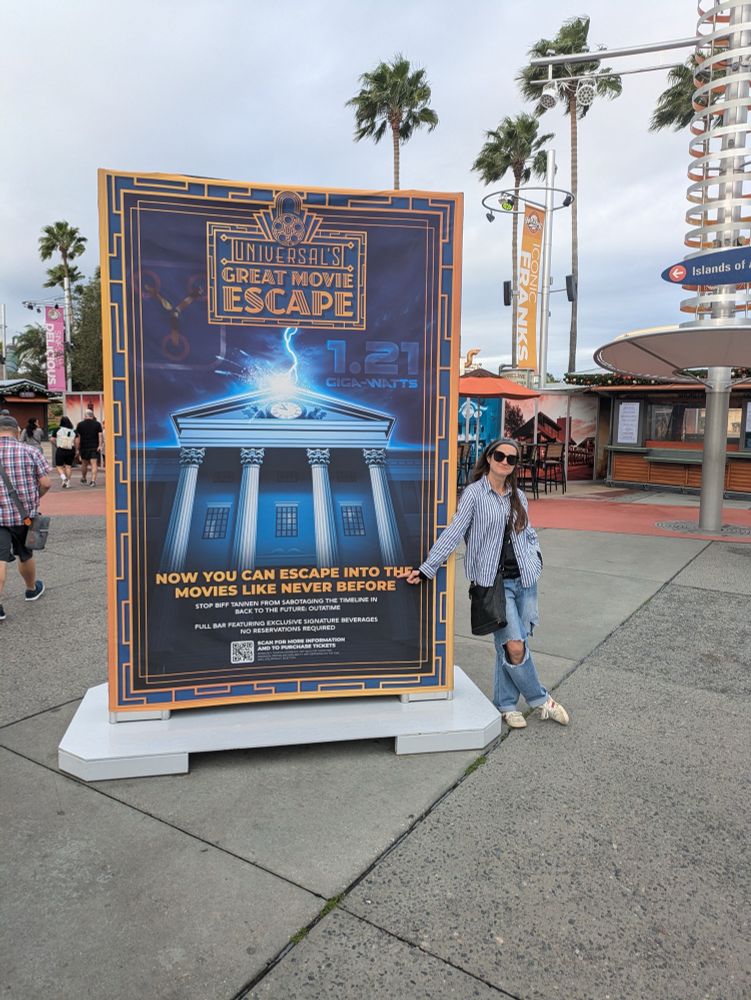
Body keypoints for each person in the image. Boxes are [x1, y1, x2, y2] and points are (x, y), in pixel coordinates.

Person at [406, 437, 569, 730]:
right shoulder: (473, 494)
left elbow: (529, 533)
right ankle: (541, 700)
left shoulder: (518, 496)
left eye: (512, 459)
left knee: (509, 645)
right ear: (489, 457)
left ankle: (506, 705)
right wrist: (427, 568)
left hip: (525, 579)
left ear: (516, 465)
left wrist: (537, 557)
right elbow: (454, 533)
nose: (505, 461)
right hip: (495, 584)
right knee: (515, 646)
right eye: (500, 455)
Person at [0, 413, 50, 620]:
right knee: (25, 554)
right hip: (24, 517)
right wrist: (35, 497)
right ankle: (31, 589)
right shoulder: (31, 451)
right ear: (17, 432)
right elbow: (46, 483)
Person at [74, 408, 103, 487]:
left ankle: (83, 478)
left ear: (85, 416)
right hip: (94, 447)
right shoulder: (97, 424)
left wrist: (77, 448)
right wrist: (100, 445)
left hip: (84, 447)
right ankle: (93, 481)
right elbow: (100, 435)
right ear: (92, 416)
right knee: (94, 464)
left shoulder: (80, 424)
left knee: (84, 464)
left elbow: (78, 438)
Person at [52, 415, 76, 488]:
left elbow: (52, 439)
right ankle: (68, 482)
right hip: (71, 449)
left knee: (59, 466)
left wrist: (56, 444)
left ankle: (64, 478)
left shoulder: (57, 429)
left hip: (61, 449)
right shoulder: (73, 430)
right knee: (68, 466)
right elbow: (76, 441)